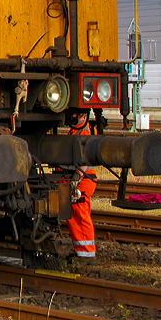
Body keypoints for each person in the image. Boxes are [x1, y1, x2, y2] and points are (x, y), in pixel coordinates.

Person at [66, 111, 98, 260]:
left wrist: (76, 179)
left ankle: (87, 253)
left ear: (82, 115)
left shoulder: (83, 131)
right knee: (76, 215)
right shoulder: (77, 130)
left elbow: (84, 159)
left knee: (80, 215)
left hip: (83, 179)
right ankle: (82, 251)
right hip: (82, 178)